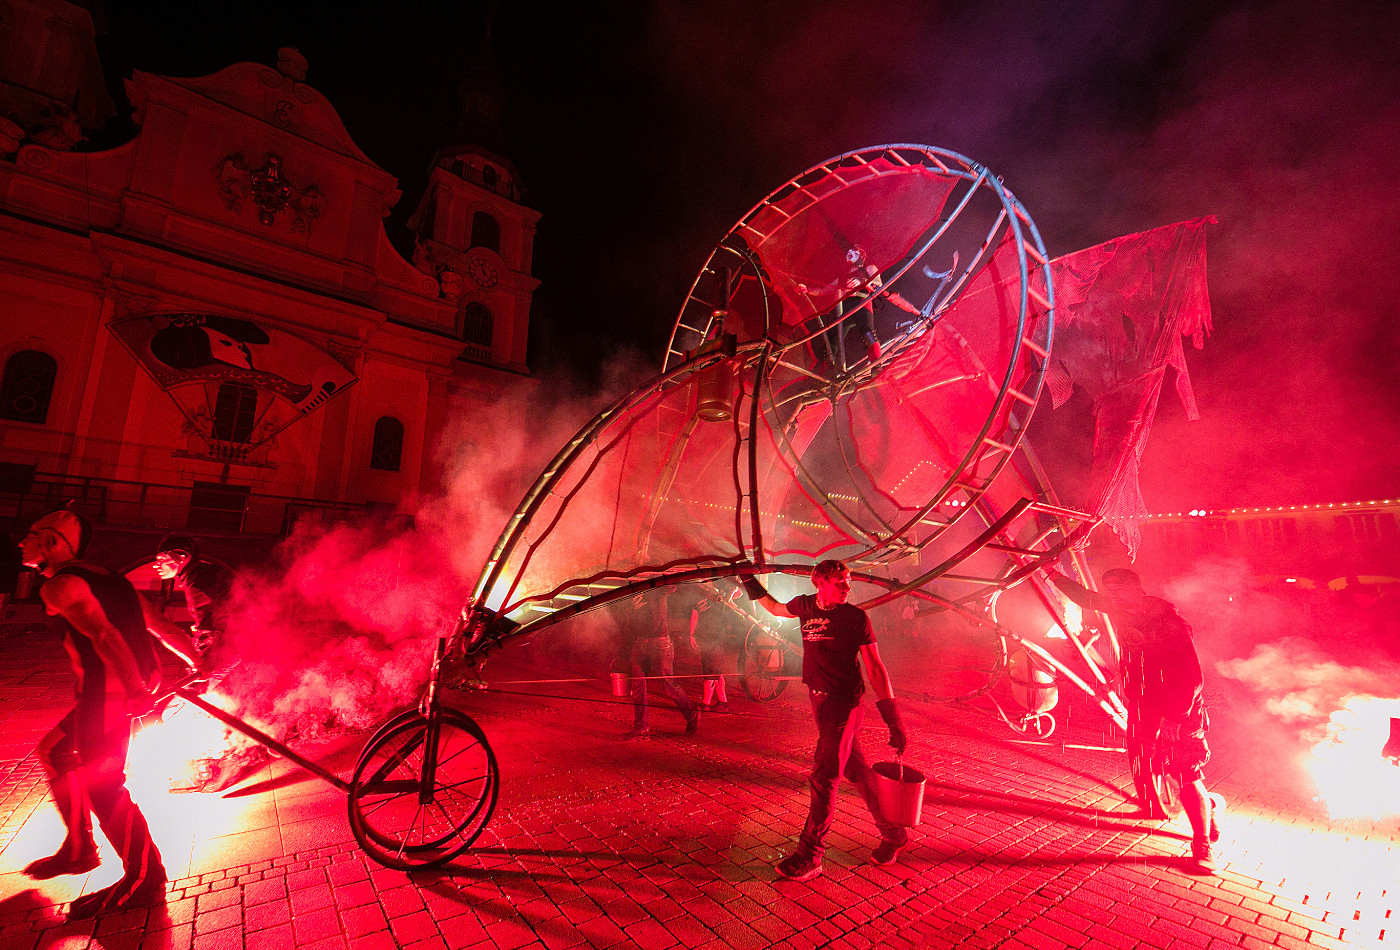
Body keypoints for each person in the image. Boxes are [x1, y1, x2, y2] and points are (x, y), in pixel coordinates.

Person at [18, 508, 168, 917]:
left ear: (52, 542)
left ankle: (144, 878)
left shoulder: (60, 585)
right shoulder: (114, 579)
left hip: (109, 694)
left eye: (31, 534)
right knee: (54, 751)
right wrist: (196, 662)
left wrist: (135, 689)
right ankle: (79, 848)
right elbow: (156, 624)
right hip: (113, 691)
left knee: (104, 786)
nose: (22, 542)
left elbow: (104, 633)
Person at [743, 559, 910, 880]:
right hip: (818, 701)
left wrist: (893, 719)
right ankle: (894, 834)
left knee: (824, 776)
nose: (847, 588)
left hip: (844, 705)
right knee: (856, 770)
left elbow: (875, 667)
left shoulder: (855, 618)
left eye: (848, 582)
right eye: (840, 582)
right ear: (819, 581)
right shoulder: (805, 606)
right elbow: (775, 609)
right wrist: (748, 580)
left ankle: (810, 855)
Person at [1048, 566, 1222, 874]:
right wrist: (1052, 574)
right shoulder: (1119, 609)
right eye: (1109, 588)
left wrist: (1175, 717)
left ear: (1137, 588)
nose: (1113, 593)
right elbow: (1086, 598)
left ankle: (1202, 844)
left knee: (1184, 771)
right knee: (1151, 759)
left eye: (1119, 587)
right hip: (1144, 704)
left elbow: (1193, 677)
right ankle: (1209, 806)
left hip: (1178, 707)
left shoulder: (1169, 623)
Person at [618, 590, 701, 740]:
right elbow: (630, 619)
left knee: (668, 685)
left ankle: (692, 714)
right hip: (641, 641)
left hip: (660, 642)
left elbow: (671, 587)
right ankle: (641, 729)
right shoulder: (632, 587)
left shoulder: (655, 585)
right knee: (638, 685)